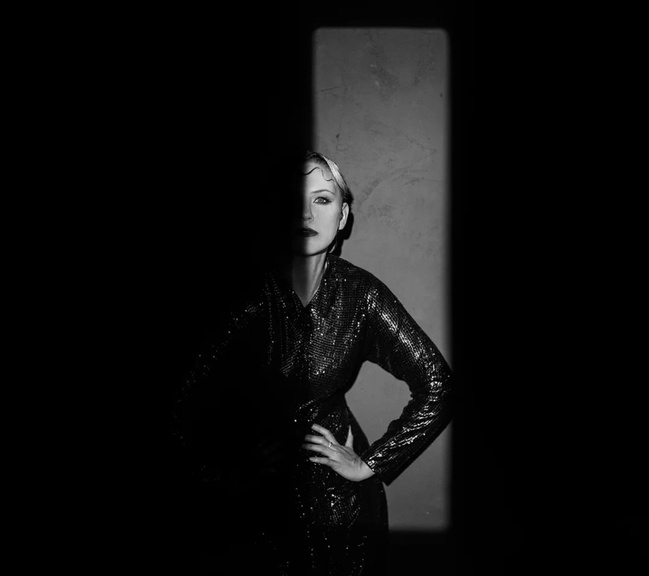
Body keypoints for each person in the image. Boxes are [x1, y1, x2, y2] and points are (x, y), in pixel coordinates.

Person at [171, 151, 453, 575]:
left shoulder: (360, 293)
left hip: (342, 507)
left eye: (322, 199)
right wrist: (222, 474)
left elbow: (439, 383)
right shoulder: (246, 299)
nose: (306, 213)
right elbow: (182, 403)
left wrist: (371, 463)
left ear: (343, 216)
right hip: (259, 507)